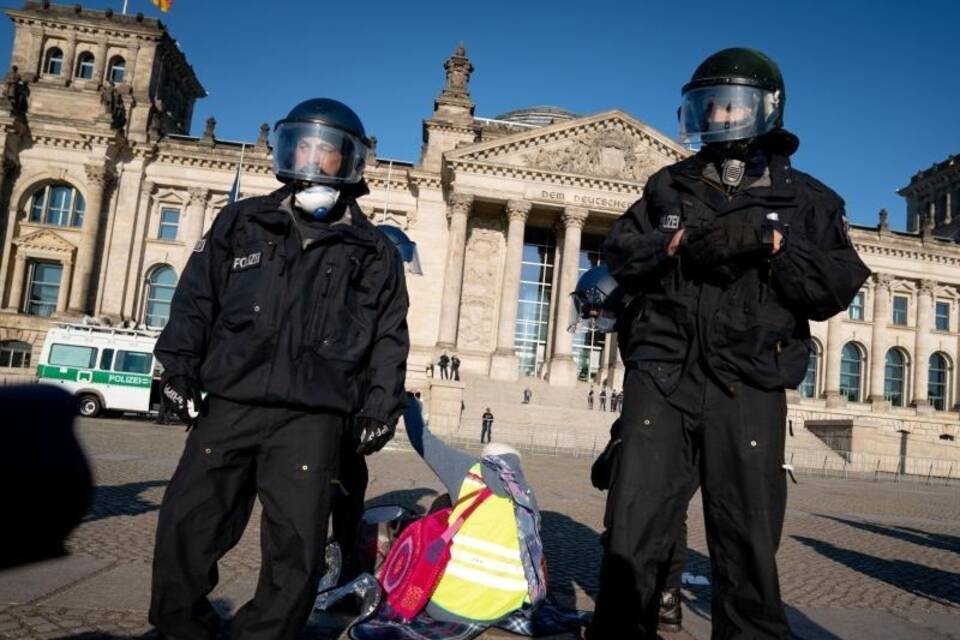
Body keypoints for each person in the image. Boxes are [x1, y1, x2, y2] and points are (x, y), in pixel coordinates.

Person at [587, 48, 870, 639]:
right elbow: (617, 254)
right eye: (707, 105)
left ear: (767, 110)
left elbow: (833, 289)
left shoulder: (810, 201)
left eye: (731, 104)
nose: (718, 116)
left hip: (747, 380)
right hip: (663, 374)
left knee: (745, 536)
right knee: (634, 526)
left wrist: (774, 245)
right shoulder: (667, 185)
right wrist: (672, 245)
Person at [149, 97, 410, 640]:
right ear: (288, 149)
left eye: (327, 151)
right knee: (189, 524)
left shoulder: (373, 250)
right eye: (305, 146)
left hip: (312, 416)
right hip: (232, 399)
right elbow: (197, 299)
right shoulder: (242, 222)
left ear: (349, 161)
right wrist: (177, 369)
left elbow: (389, 335)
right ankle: (181, 630)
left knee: (297, 545)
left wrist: (380, 406)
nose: (315, 159)